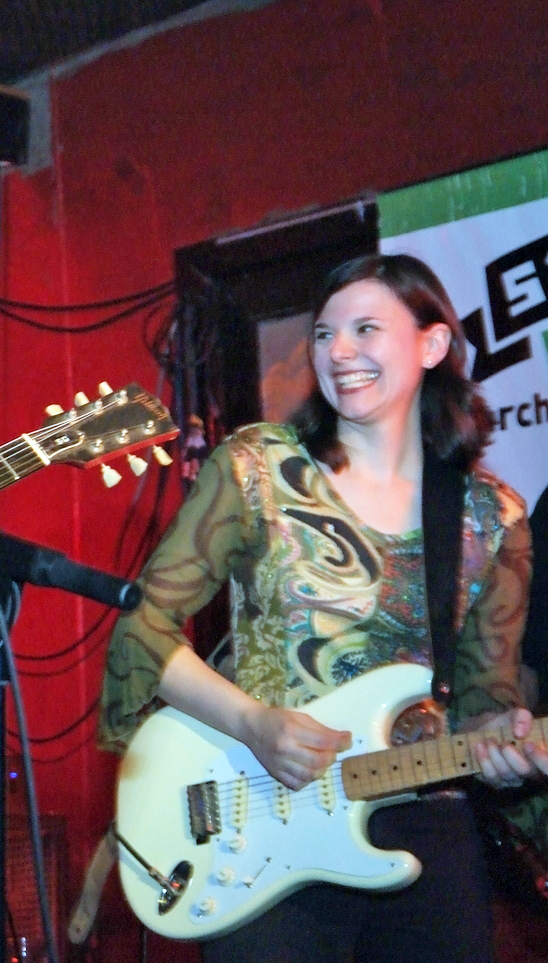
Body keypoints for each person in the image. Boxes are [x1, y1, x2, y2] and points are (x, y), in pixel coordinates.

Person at [99, 253, 542, 962]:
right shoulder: (258, 470)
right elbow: (142, 626)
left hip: (428, 827)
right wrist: (254, 722)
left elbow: (483, 693)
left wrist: (502, 742)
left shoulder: (491, 517)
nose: (338, 351)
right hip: (267, 823)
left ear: (432, 346)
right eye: (323, 334)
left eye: (365, 328)